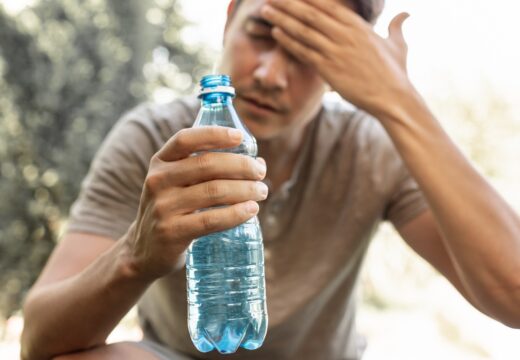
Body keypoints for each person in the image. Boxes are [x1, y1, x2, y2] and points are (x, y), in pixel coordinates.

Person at [21, 0, 520, 359]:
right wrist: (135, 255)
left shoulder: (370, 147)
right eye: (262, 34)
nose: (270, 74)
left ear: (341, 70)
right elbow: (39, 342)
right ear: (228, 18)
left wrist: (399, 101)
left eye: (308, 54)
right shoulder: (152, 139)